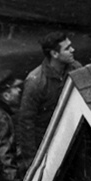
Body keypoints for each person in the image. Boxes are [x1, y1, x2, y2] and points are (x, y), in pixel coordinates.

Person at [15, 32, 78, 166]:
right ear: (54, 54)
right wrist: (32, 161)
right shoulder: (36, 82)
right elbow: (26, 122)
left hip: (70, 135)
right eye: (67, 48)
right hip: (46, 141)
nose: (73, 50)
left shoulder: (76, 69)